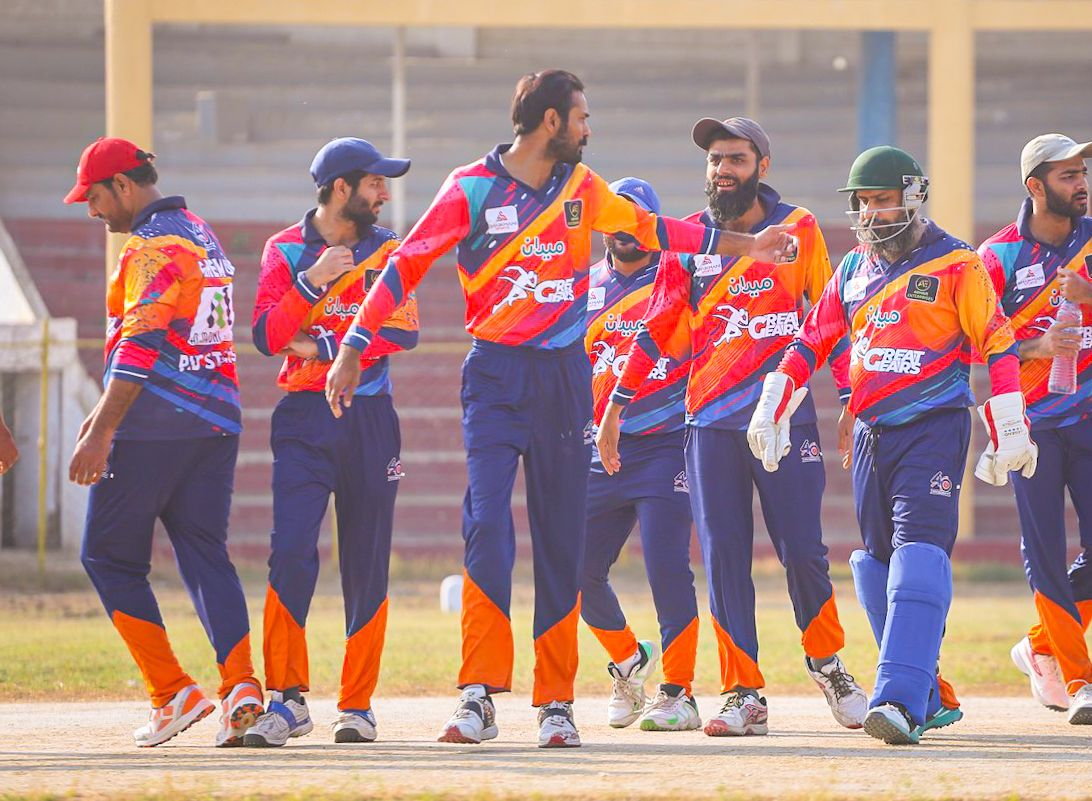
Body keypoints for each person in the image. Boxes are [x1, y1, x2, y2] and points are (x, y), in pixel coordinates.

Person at [325, 71, 798, 750]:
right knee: (486, 522)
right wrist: (352, 344)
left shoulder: (583, 188)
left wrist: (748, 245)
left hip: (564, 379)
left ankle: (556, 704)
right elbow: (406, 264)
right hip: (494, 375)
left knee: (559, 538)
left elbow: (656, 229)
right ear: (550, 121)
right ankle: (477, 693)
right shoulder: (470, 188)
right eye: (581, 118)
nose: (587, 129)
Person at [750, 146, 1037, 745]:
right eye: (862, 203)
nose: (870, 214)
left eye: (881, 201)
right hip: (870, 433)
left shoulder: (958, 263)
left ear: (913, 197)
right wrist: (774, 399)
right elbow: (811, 340)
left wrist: (1009, 419)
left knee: (917, 556)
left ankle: (898, 702)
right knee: (875, 566)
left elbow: (998, 342)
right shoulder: (852, 267)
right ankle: (928, 695)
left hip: (933, 426)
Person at [598, 116, 867, 738]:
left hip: (784, 416)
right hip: (709, 424)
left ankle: (828, 665)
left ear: (761, 167)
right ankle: (743, 693)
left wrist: (851, 399)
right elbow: (657, 327)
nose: (723, 169)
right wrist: (616, 406)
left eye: (736, 159)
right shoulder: (689, 240)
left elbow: (831, 320)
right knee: (724, 558)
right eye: (715, 159)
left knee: (803, 550)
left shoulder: (798, 229)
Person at [65, 137, 264, 748]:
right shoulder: (201, 232)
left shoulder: (151, 246)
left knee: (107, 557)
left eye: (95, 196)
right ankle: (242, 687)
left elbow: (140, 345)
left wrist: (104, 429)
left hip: (155, 425)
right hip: (216, 420)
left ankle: (171, 691)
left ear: (123, 186)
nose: (92, 210)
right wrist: (100, 415)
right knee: (205, 553)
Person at [244, 138, 419, 747]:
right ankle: (287, 700)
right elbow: (267, 336)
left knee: (366, 562)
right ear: (341, 188)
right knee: (290, 552)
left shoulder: (389, 248)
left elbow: (404, 329)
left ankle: (357, 705)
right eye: (375, 183)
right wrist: (311, 282)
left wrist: (321, 345)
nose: (385, 194)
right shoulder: (284, 249)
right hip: (303, 418)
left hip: (371, 418)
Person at [977, 134, 1092, 725]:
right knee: (1045, 553)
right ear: (1035, 186)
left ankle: (1040, 644)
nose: (1082, 184)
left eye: (1083, 173)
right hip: (1030, 426)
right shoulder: (996, 255)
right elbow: (973, 346)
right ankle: (1082, 681)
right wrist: (1037, 346)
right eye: (1068, 175)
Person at [581, 177, 700, 732]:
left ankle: (679, 691)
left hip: (665, 443)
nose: (626, 228)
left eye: (637, 217)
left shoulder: (678, 278)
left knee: (667, 567)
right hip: (601, 449)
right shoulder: (586, 285)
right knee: (575, 570)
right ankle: (630, 662)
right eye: (617, 217)